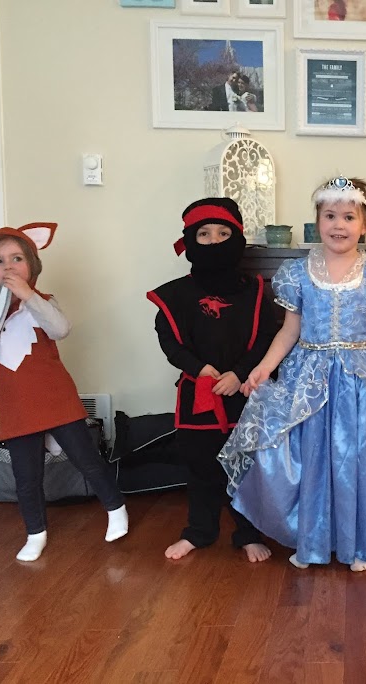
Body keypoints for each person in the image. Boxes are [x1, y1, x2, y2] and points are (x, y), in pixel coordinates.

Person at [219, 176, 366, 572]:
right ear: (317, 221)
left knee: (354, 460)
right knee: (312, 459)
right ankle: (312, 541)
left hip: (357, 381)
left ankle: (357, 546)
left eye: (349, 217)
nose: (339, 225)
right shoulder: (298, 273)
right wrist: (264, 367)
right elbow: (289, 331)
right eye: (330, 216)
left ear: (364, 225)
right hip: (308, 379)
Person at [0, 221, 128, 562]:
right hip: (16, 408)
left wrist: (28, 296)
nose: (9, 267)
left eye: (17, 259)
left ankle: (116, 508)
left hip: (56, 399)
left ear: (32, 265)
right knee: (26, 477)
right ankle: (35, 532)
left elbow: (60, 329)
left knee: (86, 460)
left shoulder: (42, 302)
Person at [147, 197, 277, 562]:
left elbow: (266, 337)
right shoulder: (174, 295)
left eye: (223, 233)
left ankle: (248, 532)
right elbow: (169, 341)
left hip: (244, 393)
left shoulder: (254, 291)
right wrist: (199, 368)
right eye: (204, 234)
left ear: (237, 238)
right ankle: (199, 532)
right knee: (201, 468)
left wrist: (239, 374)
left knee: (246, 468)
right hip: (198, 395)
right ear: (190, 240)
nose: (214, 241)